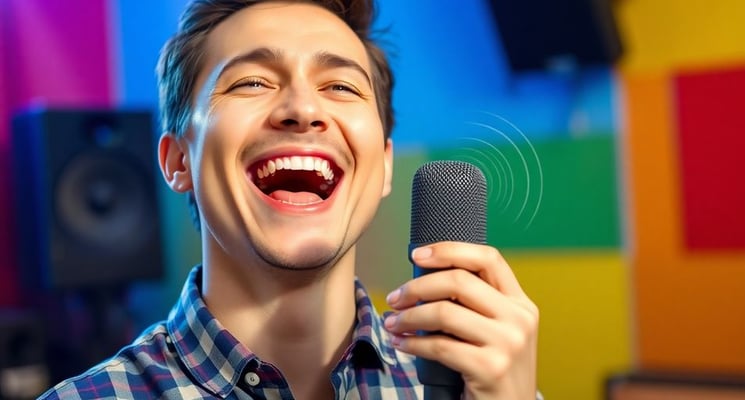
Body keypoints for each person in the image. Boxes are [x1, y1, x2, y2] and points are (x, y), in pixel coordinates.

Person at [39, 0, 540, 399]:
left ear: (384, 165)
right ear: (178, 162)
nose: (302, 108)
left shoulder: (477, 390)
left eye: (341, 85)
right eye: (252, 81)